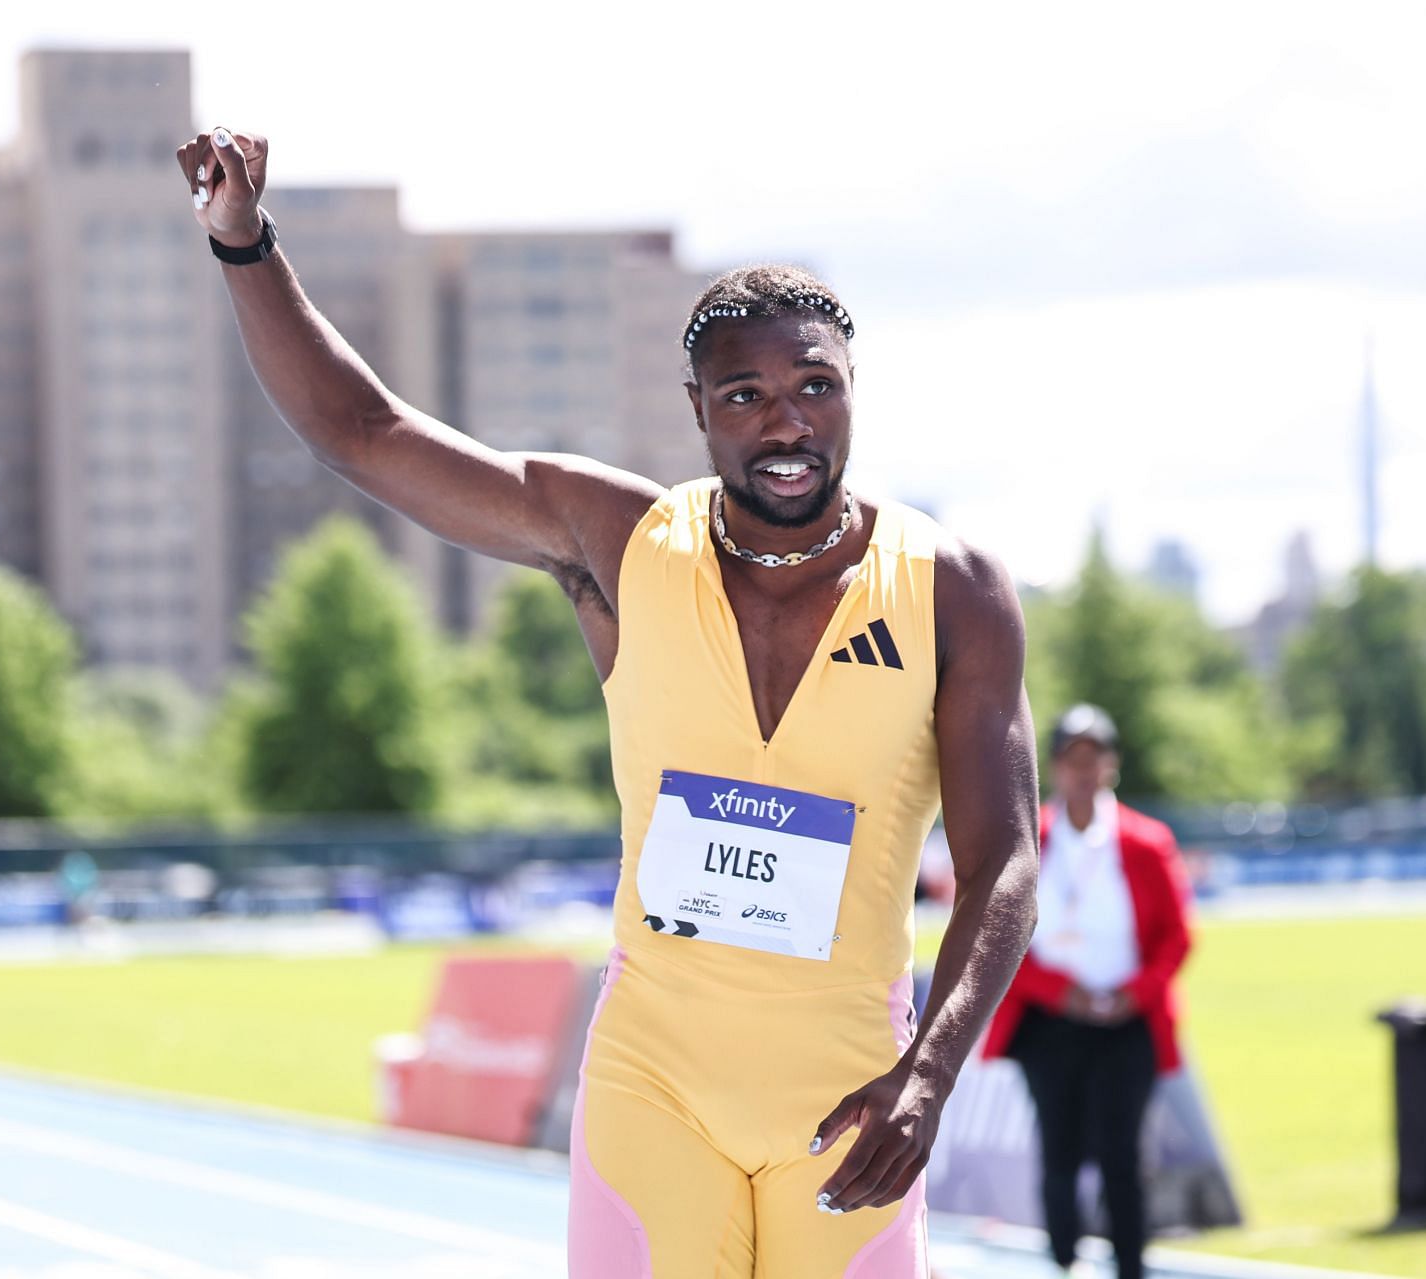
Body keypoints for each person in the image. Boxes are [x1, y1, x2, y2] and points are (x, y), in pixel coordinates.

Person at [179, 127, 1041, 1277]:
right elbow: (365, 433)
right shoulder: (621, 544)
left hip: (848, 1092)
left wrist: (928, 1073)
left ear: (850, 393)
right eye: (747, 394)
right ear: (698, 409)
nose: (786, 422)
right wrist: (246, 245)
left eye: (814, 387)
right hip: (654, 1086)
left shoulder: (953, 591)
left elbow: (1005, 864)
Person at [980, 704, 1193, 1279]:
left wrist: (1136, 993)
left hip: (1127, 1023)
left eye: (1093, 758)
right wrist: (1060, 993)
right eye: (1071, 759)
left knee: (1124, 1155)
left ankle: (1130, 1266)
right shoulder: (1028, 838)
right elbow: (999, 935)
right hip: (1051, 1025)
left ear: (1111, 765)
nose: (1083, 771)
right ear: (1053, 766)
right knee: (1059, 1152)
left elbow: (1176, 937)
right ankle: (1064, 1263)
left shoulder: (1146, 842)